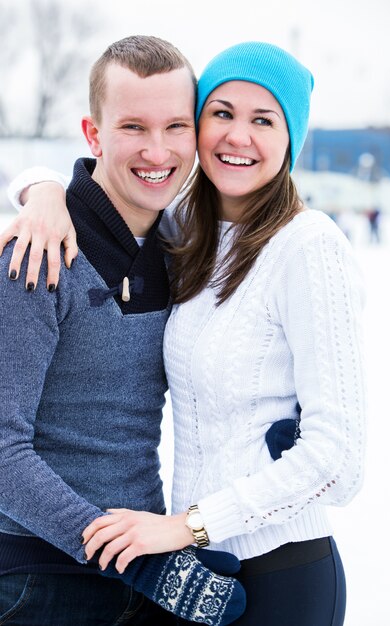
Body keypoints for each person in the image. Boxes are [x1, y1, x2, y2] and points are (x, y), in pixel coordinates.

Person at [2, 41, 366, 626]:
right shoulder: (141, 240)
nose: (237, 136)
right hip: (116, 574)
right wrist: (41, 188)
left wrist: (182, 533)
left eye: (263, 120)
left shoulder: (273, 245)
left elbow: (339, 461)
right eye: (221, 113)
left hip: (231, 567)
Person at [0, 35, 250, 626]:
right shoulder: (38, 253)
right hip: (43, 580)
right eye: (133, 127)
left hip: (143, 563)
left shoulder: (180, 247)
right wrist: (124, 558)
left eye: (175, 127)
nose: (157, 150)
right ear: (93, 135)